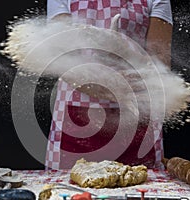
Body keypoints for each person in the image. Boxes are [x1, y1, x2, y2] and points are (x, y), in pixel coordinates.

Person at [45, 0, 173, 170]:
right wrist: (103, 85)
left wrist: (124, 52)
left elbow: (159, 64)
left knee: (140, 190)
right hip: (73, 121)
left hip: (137, 122)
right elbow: (62, 58)